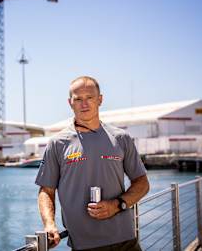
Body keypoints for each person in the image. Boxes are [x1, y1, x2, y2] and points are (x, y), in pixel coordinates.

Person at [35, 76, 149, 251]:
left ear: (100, 100)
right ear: (70, 103)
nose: (84, 104)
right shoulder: (57, 143)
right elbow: (46, 190)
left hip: (126, 241)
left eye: (89, 97)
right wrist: (49, 224)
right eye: (78, 99)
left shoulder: (121, 138)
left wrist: (118, 205)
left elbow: (142, 183)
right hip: (84, 245)